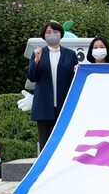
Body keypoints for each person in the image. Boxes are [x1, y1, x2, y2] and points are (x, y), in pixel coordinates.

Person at [27, 21, 79, 152]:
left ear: (61, 34)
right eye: (48, 32)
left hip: (64, 105)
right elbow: (32, 77)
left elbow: (76, 78)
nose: (52, 35)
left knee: (65, 140)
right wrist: (36, 61)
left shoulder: (70, 54)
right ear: (44, 36)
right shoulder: (38, 53)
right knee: (46, 144)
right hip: (44, 106)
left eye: (55, 32)